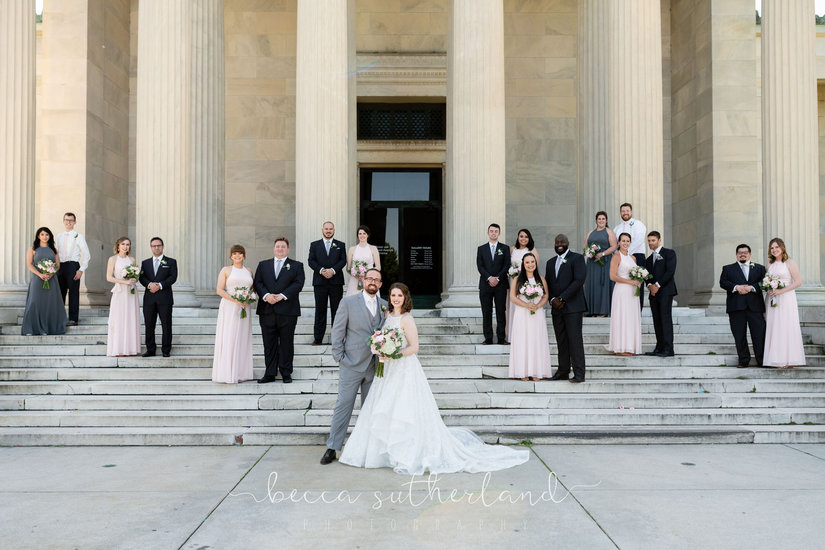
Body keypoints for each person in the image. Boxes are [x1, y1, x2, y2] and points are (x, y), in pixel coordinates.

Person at [339, 282, 529, 474]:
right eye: (393, 295)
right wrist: (380, 349)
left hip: (403, 368)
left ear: (406, 298)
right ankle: (385, 453)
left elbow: (414, 347)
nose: (396, 298)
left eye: (400, 295)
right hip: (386, 370)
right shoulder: (387, 316)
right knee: (385, 407)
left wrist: (393, 354)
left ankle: (406, 452)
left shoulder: (407, 319)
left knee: (404, 410)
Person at [321, 268, 387, 465]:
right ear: (363, 281)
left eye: (377, 280)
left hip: (375, 366)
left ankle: (367, 448)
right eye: (370, 279)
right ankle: (333, 447)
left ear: (380, 284)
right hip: (350, 363)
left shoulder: (385, 305)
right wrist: (338, 356)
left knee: (370, 409)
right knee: (343, 406)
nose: (373, 282)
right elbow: (338, 329)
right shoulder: (348, 302)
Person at [254, 237, 305, 384]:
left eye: (283, 247)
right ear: (274, 249)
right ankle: (270, 373)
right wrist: (266, 295)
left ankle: (286, 372)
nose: (280, 249)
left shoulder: (296, 266)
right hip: (267, 310)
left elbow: (298, 283)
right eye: (278, 246)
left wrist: (282, 296)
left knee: (286, 343)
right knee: (268, 343)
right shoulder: (263, 265)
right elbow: (258, 282)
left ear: (288, 249)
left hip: (288, 310)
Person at [545, 234, 587, 383]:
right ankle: (563, 371)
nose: (559, 244)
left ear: (568, 243)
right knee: (561, 340)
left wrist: (562, 298)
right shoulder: (550, 263)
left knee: (574, 340)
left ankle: (579, 373)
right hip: (557, 308)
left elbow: (579, 280)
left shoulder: (577, 258)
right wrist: (552, 300)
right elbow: (548, 284)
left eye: (562, 241)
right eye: (557, 242)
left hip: (573, 307)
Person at [212, 244, 255, 383]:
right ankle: (227, 373)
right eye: (234, 254)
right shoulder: (226, 270)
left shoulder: (248, 270)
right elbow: (219, 290)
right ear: (231, 256)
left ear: (244, 255)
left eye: (240, 254)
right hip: (230, 307)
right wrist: (236, 299)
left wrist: (248, 298)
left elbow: (252, 289)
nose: (237, 256)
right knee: (229, 336)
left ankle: (241, 373)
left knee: (242, 337)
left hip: (244, 308)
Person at [719, 244, 766, 368]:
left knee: (759, 335)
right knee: (739, 335)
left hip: (755, 307)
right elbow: (723, 283)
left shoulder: (760, 268)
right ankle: (743, 360)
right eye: (740, 252)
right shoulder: (728, 269)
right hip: (736, 308)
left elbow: (764, 282)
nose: (742, 254)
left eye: (745, 252)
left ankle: (761, 360)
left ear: (750, 254)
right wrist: (736, 287)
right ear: (736, 255)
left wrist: (752, 288)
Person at [762, 238, 805, 368]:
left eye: (776, 247)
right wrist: (769, 289)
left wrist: (781, 291)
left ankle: (789, 360)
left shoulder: (790, 263)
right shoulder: (769, 265)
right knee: (774, 326)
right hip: (772, 299)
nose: (774, 250)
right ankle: (775, 359)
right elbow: (767, 281)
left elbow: (798, 282)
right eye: (772, 248)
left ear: (782, 247)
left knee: (786, 326)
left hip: (786, 298)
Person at [507, 253, 551, 381]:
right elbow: (513, 297)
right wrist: (527, 305)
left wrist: (537, 306)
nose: (530, 264)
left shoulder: (541, 279)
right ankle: (523, 371)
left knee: (536, 340)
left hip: (537, 314)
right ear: (523, 264)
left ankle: (537, 371)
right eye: (527, 262)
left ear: (536, 264)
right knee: (523, 341)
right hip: (522, 314)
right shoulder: (518, 279)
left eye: (532, 262)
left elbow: (545, 296)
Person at [21, 227, 67, 336]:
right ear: (38, 236)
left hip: (51, 280)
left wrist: (50, 274)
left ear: (50, 236)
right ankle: (30, 329)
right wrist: (40, 274)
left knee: (49, 304)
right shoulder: (32, 248)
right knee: (34, 302)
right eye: (42, 234)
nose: (45, 237)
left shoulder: (53, 249)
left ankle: (47, 329)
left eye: (47, 234)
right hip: (37, 279)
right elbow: (29, 264)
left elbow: (57, 265)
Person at [308, 221, 347, 345]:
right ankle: (318, 338)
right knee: (320, 310)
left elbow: (343, 260)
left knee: (337, 311)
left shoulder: (340, 244)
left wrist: (333, 270)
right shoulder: (314, 245)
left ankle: (337, 339)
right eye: (326, 229)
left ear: (334, 230)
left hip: (336, 282)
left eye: (331, 229)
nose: (328, 231)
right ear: (322, 230)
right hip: (320, 282)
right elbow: (311, 261)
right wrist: (321, 270)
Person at [139, 237, 177, 358]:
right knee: (149, 325)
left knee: (166, 324)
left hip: (165, 298)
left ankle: (166, 350)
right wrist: (149, 284)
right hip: (149, 299)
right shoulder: (145, 263)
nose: (156, 247)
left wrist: (160, 285)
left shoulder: (171, 262)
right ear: (151, 247)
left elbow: (173, 277)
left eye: (159, 245)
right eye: (154, 246)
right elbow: (142, 277)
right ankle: (150, 349)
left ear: (162, 246)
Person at [605, 233, 642, 356]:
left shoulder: (633, 258)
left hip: (632, 293)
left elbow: (636, 273)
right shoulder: (616, 256)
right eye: (623, 241)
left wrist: (639, 280)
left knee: (631, 318)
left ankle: (631, 347)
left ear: (630, 243)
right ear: (619, 242)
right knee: (623, 317)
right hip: (621, 291)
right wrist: (630, 281)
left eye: (627, 241)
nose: (625, 243)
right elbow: (612, 276)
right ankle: (620, 348)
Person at [644, 231, 677, 357]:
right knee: (656, 320)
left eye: (653, 240)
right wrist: (650, 286)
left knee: (665, 319)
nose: (650, 243)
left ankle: (669, 349)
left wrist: (657, 285)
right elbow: (646, 275)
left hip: (666, 291)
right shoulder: (648, 259)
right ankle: (659, 347)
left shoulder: (669, 253)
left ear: (659, 240)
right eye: (649, 241)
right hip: (653, 293)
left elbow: (670, 271)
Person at [105, 237, 140, 357]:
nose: (126, 247)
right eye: (123, 244)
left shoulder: (132, 260)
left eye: (128, 244)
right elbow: (109, 277)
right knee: (119, 318)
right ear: (118, 245)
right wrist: (124, 282)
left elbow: (136, 276)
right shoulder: (113, 259)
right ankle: (118, 349)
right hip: (120, 292)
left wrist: (134, 279)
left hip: (131, 292)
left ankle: (130, 349)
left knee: (130, 318)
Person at [477, 223, 510, 345]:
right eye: (491, 231)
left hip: (500, 285)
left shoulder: (505, 248)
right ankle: (488, 338)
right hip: (485, 285)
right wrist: (489, 278)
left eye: (496, 231)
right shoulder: (481, 249)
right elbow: (480, 266)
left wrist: (498, 278)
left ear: (499, 233)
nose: (493, 233)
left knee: (501, 311)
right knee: (486, 311)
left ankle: (501, 338)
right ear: (488, 233)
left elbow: (506, 265)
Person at [55, 212, 91, 326]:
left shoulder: (79, 236)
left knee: (73, 293)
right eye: (66, 220)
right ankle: (59, 317)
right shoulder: (59, 236)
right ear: (63, 221)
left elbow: (87, 254)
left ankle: (73, 318)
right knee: (59, 293)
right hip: (60, 266)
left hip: (72, 266)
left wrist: (81, 269)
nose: (68, 222)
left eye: (71, 220)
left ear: (75, 222)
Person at [506, 228, 539, 342]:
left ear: (529, 238)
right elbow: (507, 265)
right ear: (518, 237)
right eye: (521, 236)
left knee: (523, 306)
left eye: (526, 236)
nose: (523, 238)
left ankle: (525, 336)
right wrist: (512, 272)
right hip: (513, 281)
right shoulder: (512, 249)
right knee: (513, 306)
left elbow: (535, 268)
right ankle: (512, 336)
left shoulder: (532, 250)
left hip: (525, 283)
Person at [613, 203, 647, 309]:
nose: (625, 213)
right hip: (622, 258)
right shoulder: (617, 228)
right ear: (620, 213)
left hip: (637, 256)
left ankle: (637, 312)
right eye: (623, 211)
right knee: (625, 283)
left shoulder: (639, 224)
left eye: (627, 211)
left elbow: (639, 240)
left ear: (631, 212)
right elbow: (615, 244)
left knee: (637, 285)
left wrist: (626, 253)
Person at [583, 211, 618, 317]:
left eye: (603, 219)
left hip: (604, 262)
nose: (601, 221)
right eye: (599, 219)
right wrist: (590, 253)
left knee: (602, 285)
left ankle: (603, 310)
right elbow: (584, 246)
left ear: (606, 220)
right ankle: (592, 310)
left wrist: (602, 254)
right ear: (596, 220)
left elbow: (614, 246)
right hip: (592, 262)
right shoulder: (590, 232)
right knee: (592, 284)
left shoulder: (609, 231)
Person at [345, 225, 381, 296]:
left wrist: (367, 273)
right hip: (355, 280)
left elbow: (378, 267)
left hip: (369, 280)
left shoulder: (373, 249)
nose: (362, 235)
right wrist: (355, 273)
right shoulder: (352, 249)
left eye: (364, 233)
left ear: (368, 235)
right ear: (357, 235)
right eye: (360, 234)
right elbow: (348, 268)